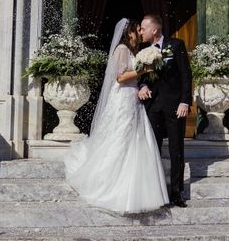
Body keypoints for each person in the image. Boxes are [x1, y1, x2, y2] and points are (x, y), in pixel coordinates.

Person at [64, 18, 169, 213]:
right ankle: (107, 182)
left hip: (132, 99)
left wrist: (142, 84)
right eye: (137, 30)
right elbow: (120, 78)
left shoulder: (133, 52)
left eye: (140, 29)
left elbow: (134, 77)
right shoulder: (121, 49)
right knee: (119, 137)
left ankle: (133, 185)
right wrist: (145, 69)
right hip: (122, 99)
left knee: (132, 139)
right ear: (128, 33)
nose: (139, 32)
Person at [138, 14, 192, 208]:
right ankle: (155, 192)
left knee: (176, 149)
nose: (140, 32)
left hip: (175, 106)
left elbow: (186, 75)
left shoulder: (176, 45)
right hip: (153, 107)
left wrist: (185, 102)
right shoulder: (142, 50)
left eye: (143, 28)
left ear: (155, 29)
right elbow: (141, 75)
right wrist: (142, 86)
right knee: (153, 149)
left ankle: (177, 192)